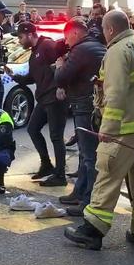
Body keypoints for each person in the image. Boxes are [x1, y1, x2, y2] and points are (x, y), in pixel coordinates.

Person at [65, 10, 134, 250]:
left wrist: (108, 128)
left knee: (107, 173)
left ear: (110, 30)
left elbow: (115, 93)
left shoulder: (117, 52)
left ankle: (92, 230)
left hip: (125, 126)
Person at [54, 17, 107, 216]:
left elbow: (62, 76)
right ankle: (80, 193)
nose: (65, 41)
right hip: (91, 104)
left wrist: (60, 64)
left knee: (89, 156)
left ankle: (87, 201)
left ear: (75, 33)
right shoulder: (95, 45)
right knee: (86, 155)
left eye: (67, 37)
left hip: (85, 106)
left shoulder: (81, 50)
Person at [5, 22, 67, 186]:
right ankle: (46, 165)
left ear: (30, 34)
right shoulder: (34, 53)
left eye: (20, 37)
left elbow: (62, 64)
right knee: (32, 129)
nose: (19, 41)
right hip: (44, 98)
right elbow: (32, 78)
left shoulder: (47, 45)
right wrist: (13, 76)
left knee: (56, 136)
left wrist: (61, 87)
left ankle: (60, 175)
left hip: (55, 98)